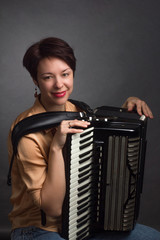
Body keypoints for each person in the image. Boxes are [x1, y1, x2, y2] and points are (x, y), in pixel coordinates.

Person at [8, 37, 159, 240]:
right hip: (38, 229)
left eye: (65, 74)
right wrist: (55, 148)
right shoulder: (28, 133)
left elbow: (102, 143)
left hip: (83, 220)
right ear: (35, 80)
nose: (59, 84)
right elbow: (52, 209)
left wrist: (126, 112)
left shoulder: (78, 111)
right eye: (47, 77)